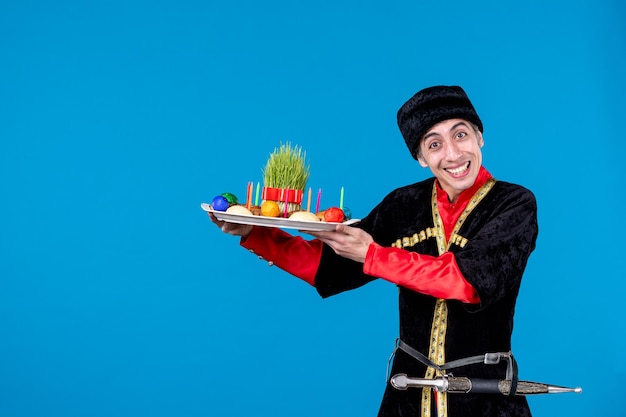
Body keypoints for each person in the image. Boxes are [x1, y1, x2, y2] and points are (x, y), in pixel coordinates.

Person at [209, 85, 538, 417]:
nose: (452, 154)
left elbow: (464, 281)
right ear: (421, 158)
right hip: (407, 393)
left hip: (485, 396)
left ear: (480, 137)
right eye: (434, 144)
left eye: (461, 134)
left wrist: (372, 255)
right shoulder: (403, 205)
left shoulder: (514, 204)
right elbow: (326, 268)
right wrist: (254, 232)